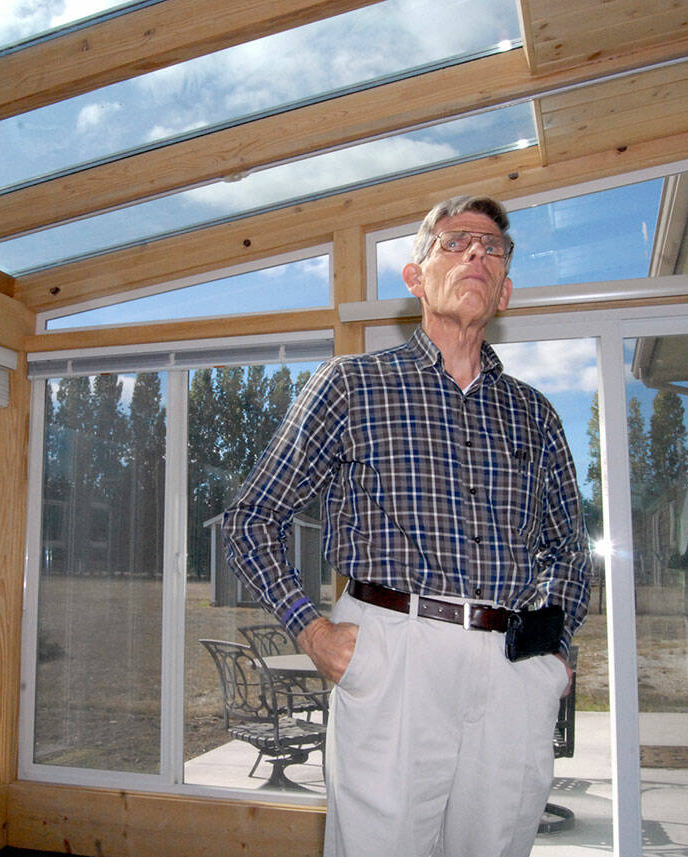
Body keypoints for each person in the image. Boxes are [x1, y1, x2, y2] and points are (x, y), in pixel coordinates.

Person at [221, 194, 591, 857]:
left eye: (493, 247)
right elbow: (251, 519)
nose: (478, 251)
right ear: (415, 277)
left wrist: (549, 656)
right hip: (394, 655)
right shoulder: (351, 385)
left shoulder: (536, 415)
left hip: (514, 663)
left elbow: (568, 549)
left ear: (505, 292)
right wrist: (314, 631)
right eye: (456, 241)